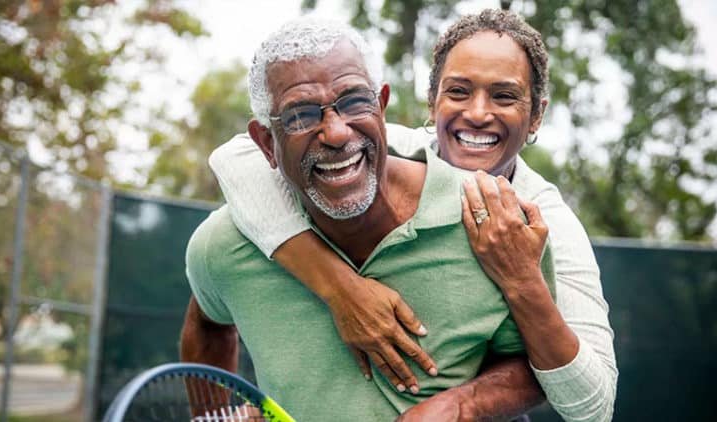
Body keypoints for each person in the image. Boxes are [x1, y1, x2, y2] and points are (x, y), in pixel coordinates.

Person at [207, 9, 617, 422]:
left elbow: (593, 405)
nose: (478, 113)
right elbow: (235, 159)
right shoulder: (380, 150)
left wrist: (520, 282)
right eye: (458, 91)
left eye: (504, 96)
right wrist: (341, 289)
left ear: (536, 116)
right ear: (432, 101)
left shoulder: (547, 220)